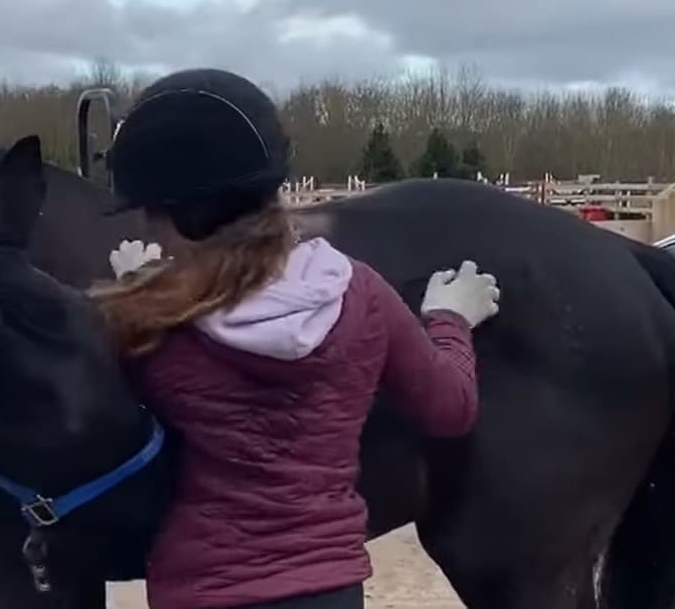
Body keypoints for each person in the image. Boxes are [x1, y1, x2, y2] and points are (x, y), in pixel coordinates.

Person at [90, 68, 500, 609]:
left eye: (151, 213)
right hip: (327, 589)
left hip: (204, 590)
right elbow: (450, 408)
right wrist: (450, 318)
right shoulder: (360, 293)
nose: (146, 227)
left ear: (181, 217)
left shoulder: (147, 321)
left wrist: (138, 286)